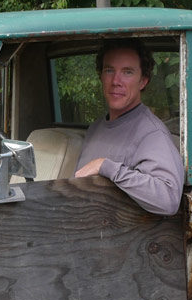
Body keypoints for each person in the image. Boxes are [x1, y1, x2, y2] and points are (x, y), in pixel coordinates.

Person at [73, 39, 185, 216]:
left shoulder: (152, 133)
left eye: (127, 72)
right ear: (101, 76)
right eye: (109, 70)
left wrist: (106, 166)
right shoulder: (96, 128)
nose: (116, 81)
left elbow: (168, 199)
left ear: (143, 81)